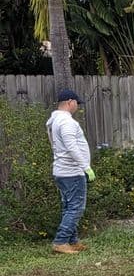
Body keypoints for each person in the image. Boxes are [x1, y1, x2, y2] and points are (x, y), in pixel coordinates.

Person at [45, 89, 95, 254]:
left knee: (69, 206)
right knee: (76, 208)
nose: (77, 106)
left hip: (62, 171)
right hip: (71, 172)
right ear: (69, 102)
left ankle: (72, 241)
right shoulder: (66, 122)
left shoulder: (54, 121)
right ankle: (60, 242)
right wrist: (85, 167)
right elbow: (71, 146)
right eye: (76, 103)